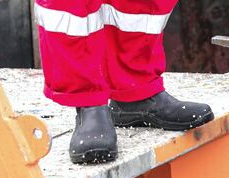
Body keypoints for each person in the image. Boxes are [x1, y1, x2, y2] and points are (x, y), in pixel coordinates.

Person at [34, 1, 214, 165]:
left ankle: (136, 92)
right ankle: (88, 103)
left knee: (136, 4)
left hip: (141, 77)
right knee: (73, 7)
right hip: (82, 82)